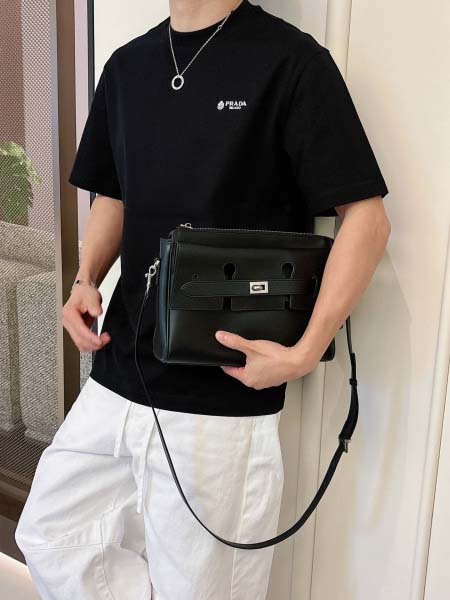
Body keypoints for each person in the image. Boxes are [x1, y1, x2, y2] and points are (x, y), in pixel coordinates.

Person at [15, 0, 391, 598]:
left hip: (221, 390)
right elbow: (114, 193)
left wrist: (304, 352)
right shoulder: (128, 66)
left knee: (202, 589)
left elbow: (366, 219)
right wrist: (85, 279)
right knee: (51, 535)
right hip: (120, 367)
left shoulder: (291, 63)